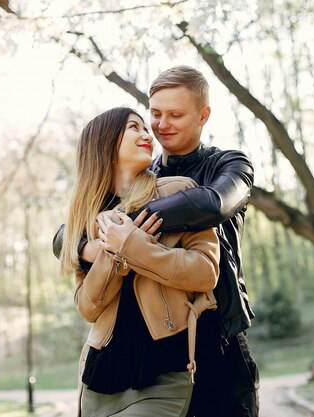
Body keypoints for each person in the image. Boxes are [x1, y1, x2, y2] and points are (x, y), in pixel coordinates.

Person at [55, 65, 260, 416]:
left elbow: (213, 203)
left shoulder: (228, 164)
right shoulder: (139, 176)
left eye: (176, 114)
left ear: (203, 115)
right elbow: (64, 235)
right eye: (155, 114)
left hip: (220, 340)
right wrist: (84, 244)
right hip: (163, 351)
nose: (162, 124)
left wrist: (123, 231)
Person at [60, 106, 220, 417]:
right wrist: (114, 254)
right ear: (105, 142)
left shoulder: (177, 192)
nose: (148, 134)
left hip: (163, 373)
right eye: (134, 127)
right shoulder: (89, 220)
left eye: (144, 128)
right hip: (99, 379)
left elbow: (206, 272)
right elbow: (87, 307)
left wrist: (134, 246)